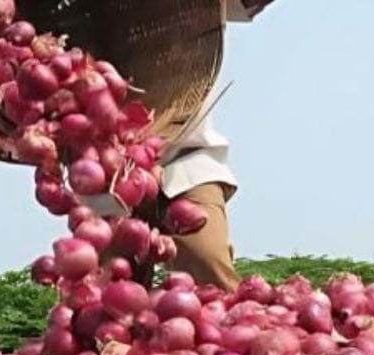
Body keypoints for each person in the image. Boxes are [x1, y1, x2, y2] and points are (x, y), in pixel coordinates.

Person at [85, 0, 274, 292]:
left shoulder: (181, 14)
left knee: (208, 266)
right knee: (106, 292)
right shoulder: (84, 22)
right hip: (107, 173)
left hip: (187, 160)